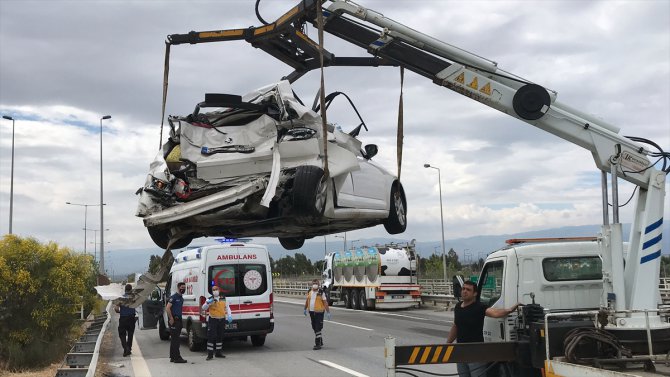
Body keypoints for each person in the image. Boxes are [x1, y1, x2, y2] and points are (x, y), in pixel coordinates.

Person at [446, 281, 520, 377]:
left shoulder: (479, 307)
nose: (464, 291)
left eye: (468, 290)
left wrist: (510, 309)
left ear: (475, 294)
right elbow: (456, 326)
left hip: (476, 352)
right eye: (463, 289)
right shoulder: (458, 307)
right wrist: (447, 344)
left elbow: (495, 313)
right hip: (461, 352)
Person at [201, 285, 233, 360]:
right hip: (213, 320)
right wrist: (208, 303)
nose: (215, 291)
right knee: (211, 337)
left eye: (216, 289)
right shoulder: (210, 299)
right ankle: (210, 354)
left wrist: (229, 316)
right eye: (213, 290)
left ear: (219, 290)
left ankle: (218, 353)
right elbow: (203, 308)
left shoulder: (223, 298)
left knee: (220, 336)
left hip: (222, 319)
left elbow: (227, 308)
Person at [303, 279, 331, 350]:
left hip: (319, 313)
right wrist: (305, 308)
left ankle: (317, 344)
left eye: (316, 283)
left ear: (318, 285)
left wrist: (328, 312)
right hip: (311, 312)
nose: (315, 284)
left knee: (318, 328)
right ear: (312, 284)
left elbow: (325, 303)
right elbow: (307, 301)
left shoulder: (321, 292)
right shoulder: (309, 292)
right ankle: (320, 341)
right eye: (313, 283)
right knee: (314, 327)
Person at [166, 282, 187, 363]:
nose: (183, 289)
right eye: (182, 287)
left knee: (174, 339)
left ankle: (172, 357)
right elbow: (168, 308)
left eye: (184, 287)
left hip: (179, 320)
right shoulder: (174, 297)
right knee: (176, 340)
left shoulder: (181, 298)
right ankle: (177, 357)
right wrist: (171, 318)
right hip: (174, 320)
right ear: (178, 287)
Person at [114, 284, 136, 357]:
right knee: (130, 333)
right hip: (132, 318)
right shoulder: (134, 297)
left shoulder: (121, 298)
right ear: (131, 289)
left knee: (122, 334)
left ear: (125, 290)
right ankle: (129, 348)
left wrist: (120, 312)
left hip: (123, 318)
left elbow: (116, 309)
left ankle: (126, 348)